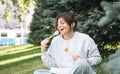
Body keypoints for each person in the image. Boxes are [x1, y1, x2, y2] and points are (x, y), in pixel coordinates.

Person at [34, 11, 102, 74]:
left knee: (81, 63)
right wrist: (43, 50)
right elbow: (52, 64)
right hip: (63, 71)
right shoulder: (55, 41)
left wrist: (85, 60)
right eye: (58, 24)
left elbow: (97, 58)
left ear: (72, 25)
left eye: (62, 23)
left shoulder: (85, 38)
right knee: (37, 72)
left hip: (81, 71)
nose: (59, 26)